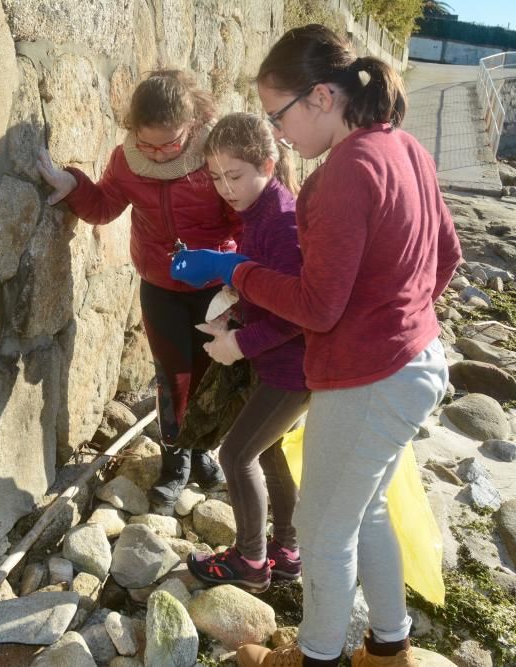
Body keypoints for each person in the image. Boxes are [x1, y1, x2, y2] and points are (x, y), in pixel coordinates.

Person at [171, 25, 463, 667]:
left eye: (280, 116)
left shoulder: (342, 175)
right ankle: (389, 648)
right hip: (419, 362)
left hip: (368, 380)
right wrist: (400, 315)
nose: (279, 134)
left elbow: (317, 306)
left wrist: (235, 274)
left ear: (322, 98)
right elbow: (447, 256)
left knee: (325, 532)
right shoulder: (405, 147)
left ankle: (317, 656)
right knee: (371, 510)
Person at [37, 69, 239, 512]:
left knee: (213, 375)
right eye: (147, 144)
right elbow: (106, 205)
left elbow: (246, 213)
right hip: (159, 285)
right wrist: (74, 185)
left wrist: (243, 273)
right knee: (173, 376)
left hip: (215, 287)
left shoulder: (217, 156)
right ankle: (175, 461)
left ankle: (205, 450)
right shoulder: (127, 160)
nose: (158, 154)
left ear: (193, 123)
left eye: (169, 144)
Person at [183, 112, 309, 595]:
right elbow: (264, 288)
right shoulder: (257, 213)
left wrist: (239, 343)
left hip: (291, 370)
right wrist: (234, 314)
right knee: (269, 450)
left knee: (236, 454)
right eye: (215, 178)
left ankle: (252, 559)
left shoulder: (281, 223)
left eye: (234, 176)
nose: (224, 188)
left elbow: (297, 311)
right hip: (278, 364)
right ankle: (287, 549)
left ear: (268, 166)